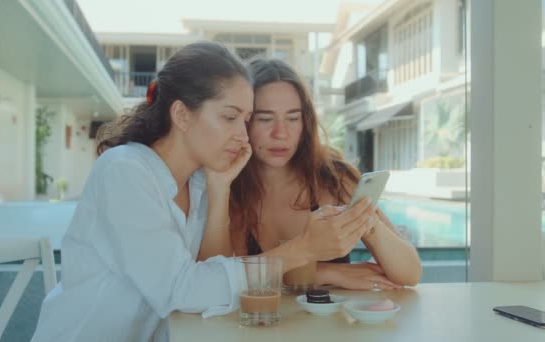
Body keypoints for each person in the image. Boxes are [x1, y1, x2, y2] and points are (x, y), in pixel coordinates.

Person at [31, 42, 257, 342]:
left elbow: (210, 292)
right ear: (182, 114)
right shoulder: (124, 172)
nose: (243, 136)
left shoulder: (199, 182)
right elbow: (183, 291)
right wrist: (301, 250)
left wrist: (220, 188)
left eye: (247, 120)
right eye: (230, 117)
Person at [200, 58, 422, 290]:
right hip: (260, 325)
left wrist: (367, 220)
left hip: (328, 325)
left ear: (305, 123)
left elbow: (409, 274)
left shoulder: (334, 177)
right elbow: (216, 282)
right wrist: (324, 272)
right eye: (265, 119)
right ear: (244, 122)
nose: (280, 133)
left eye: (293, 118)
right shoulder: (231, 186)